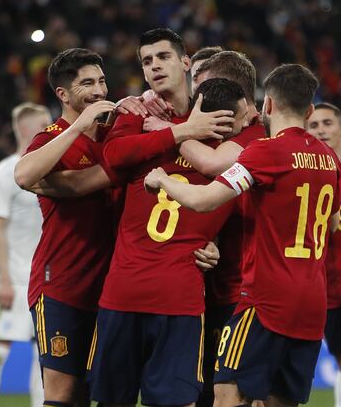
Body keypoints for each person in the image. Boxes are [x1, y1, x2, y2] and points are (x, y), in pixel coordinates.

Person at [144, 63, 340, 407]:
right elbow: (333, 221)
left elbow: (204, 201)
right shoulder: (329, 158)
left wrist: (163, 179)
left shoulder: (266, 151)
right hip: (313, 301)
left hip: (266, 299)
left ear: (267, 105)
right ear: (310, 110)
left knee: (226, 393)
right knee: (280, 400)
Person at [87, 28, 248, 407]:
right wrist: (182, 131)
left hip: (180, 296)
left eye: (163, 57)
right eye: (146, 61)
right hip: (122, 290)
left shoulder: (224, 122)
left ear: (187, 63)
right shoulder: (134, 113)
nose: (155, 66)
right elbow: (114, 157)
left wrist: (218, 241)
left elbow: (238, 183)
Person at [14, 48, 120, 407]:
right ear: (63, 94)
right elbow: (24, 174)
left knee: (96, 392)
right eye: (87, 83)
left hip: (108, 290)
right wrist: (79, 124)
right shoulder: (51, 139)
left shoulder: (113, 138)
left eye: (102, 80)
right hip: (60, 285)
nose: (99, 90)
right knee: (62, 394)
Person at [0, 102, 52, 407]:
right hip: (7, 277)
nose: (51, 130)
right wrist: (6, 281)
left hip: (42, 278)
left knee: (44, 350)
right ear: (26, 130)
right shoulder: (3, 174)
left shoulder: (49, 170)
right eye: (45, 124)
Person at [307, 102, 341, 407]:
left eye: (328, 123)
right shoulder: (305, 178)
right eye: (314, 125)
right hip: (326, 295)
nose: (321, 130)